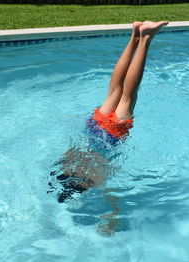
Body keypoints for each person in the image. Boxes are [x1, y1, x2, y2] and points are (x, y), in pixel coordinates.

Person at [49, 20, 169, 209]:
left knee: (129, 95)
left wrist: (112, 218)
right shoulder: (65, 164)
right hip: (93, 126)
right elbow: (72, 147)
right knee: (114, 90)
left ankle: (146, 38)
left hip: (111, 137)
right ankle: (135, 35)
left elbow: (113, 197)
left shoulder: (94, 181)